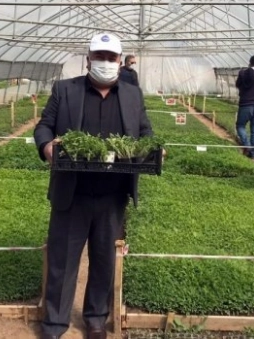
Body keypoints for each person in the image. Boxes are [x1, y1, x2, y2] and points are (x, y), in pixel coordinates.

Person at [34, 33, 154, 339]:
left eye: (111, 57)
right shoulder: (65, 90)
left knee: (103, 261)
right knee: (62, 261)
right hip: (71, 192)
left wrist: (153, 149)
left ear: (119, 60)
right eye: (99, 56)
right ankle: (55, 323)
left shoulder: (132, 94)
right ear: (88, 59)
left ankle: (96, 319)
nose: (105, 62)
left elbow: (144, 131)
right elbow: (44, 125)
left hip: (113, 195)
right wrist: (47, 146)